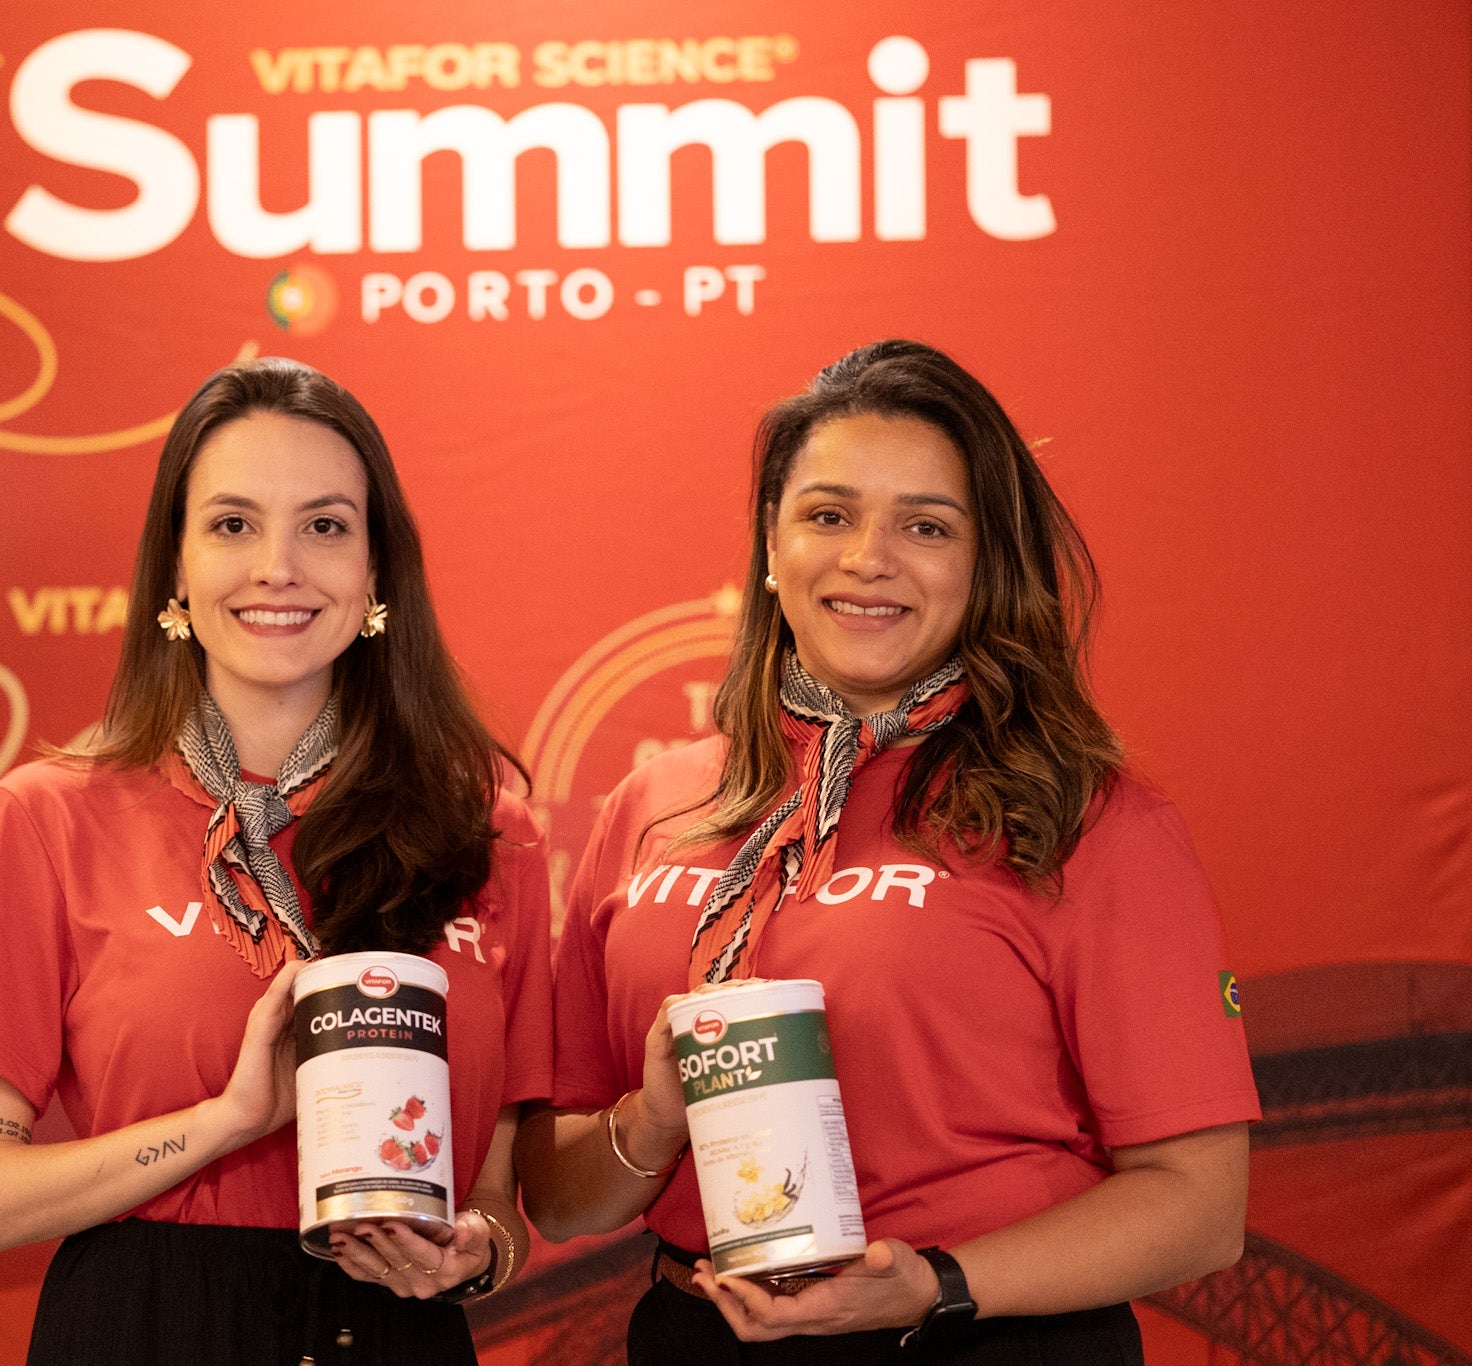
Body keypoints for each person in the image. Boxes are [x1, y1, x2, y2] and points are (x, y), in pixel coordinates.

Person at [516, 340, 1259, 1363]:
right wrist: (650, 1117)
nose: (868, 557)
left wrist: (934, 1285)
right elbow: (560, 1202)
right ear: (770, 546)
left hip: (977, 1336)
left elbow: (1200, 1208)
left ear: (984, 566)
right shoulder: (651, 807)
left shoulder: (1087, 817)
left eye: (925, 526)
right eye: (828, 515)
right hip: (698, 1335)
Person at [0, 358, 552, 1366]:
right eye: (232, 525)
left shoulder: (486, 830)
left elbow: (494, 1201)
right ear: (175, 567)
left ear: (377, 571)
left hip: (397, 1334)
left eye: (325, 525)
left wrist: (473, 1254)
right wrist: (226, 1122)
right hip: (148, 1328)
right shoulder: (50, 816)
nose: (277, 567)